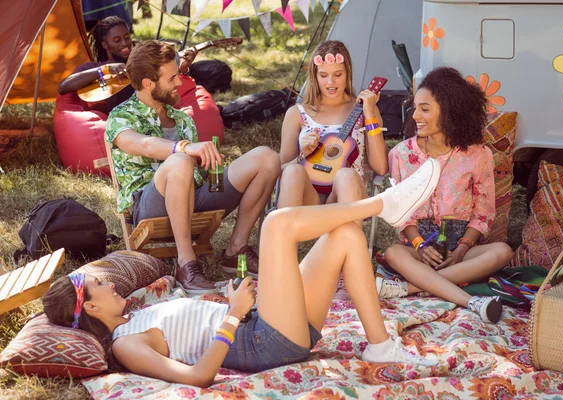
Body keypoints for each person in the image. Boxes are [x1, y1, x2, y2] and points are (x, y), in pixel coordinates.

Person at [43, 158, 443, 387]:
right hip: (260, 341)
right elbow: (199, 376)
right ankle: (385, 205)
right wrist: (233, 314)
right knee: (275, 225)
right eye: (99, 284)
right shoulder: (124, 346)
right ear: (91, 308)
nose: (110, 281)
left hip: (262, 320)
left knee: (345, 236)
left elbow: (195, 325)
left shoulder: (135, 311)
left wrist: (231, 302)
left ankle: (379, 345)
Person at [104, 40, 280, 295]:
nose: (179, 82)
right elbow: (143, 145)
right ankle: (187, 264)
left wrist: (211, 165)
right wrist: (184, 148)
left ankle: (235, 250)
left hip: (193, 197)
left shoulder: (181, 118)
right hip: (151, 204)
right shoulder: (121, 117)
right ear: (148, 83)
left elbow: (197, 170)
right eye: (172, 77)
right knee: (180, 160)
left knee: (266, 158)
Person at [376, 67, 513, 324]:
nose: (415, 115)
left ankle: (412, 288)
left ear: (450, 113)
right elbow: (401, 214)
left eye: (425, 109)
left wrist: (461, 251)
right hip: (420, 249)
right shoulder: (402, 155)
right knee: (394, 253)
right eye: (415, 107)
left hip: (461, 248)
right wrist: (420, 245)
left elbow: (483, 213)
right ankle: (471, 301)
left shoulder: (478, 155)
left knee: (502, 252)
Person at [277, 40, 388, 299]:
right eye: (324, 75)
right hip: (309, 199)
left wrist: (370, 113)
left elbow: (381, 167)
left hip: (347, 198)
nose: (331, 82)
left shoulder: (363, 110)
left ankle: (343, 275)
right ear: (314, 75)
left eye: (338, 75)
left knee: (347, 175)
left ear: (348, 72)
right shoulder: (298, 113)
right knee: (292, 172)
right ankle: (283, 268)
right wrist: (302, 154)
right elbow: (280, 168)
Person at [57, 16, 199, 115]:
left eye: (126, 37)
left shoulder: (144, 64)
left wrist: (183, 69)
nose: (124, 44)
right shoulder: (94, 67)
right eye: (117, 40)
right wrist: (105, 69)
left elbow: (165, 93)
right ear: (105, 45)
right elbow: (63, 87)